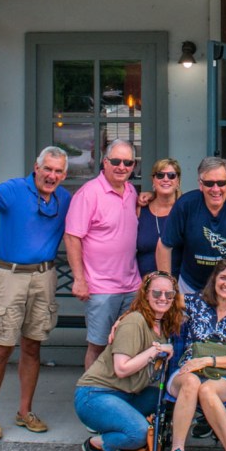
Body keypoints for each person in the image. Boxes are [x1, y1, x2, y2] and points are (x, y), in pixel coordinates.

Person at [0, 130, 72, 441]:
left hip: (44, 277)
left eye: (58, 171)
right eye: (47, 169)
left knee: (32, 346)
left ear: (64, 174)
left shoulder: (64, 199)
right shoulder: (15, 189)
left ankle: (24, 411)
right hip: (10, 275)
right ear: (36, 167)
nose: (52, 175)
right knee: (2, 348)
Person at [74, 271, 183, 451]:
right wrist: (156, 350)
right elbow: (121, 368)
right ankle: (96, 444)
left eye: (169, 294)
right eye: (157, 293)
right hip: (95, 394)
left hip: (127, 394)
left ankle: (119, 427)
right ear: (145, 294)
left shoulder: (164, 324)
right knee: (138, 433)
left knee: (170, 400)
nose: (163, 298)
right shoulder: (135, 321)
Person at [165, 258, 226, 451]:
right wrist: (125, 319)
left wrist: (207, 361)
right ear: (214, 279)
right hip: (187, 371)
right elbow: (157, 299)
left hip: (223, 376)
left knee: (206, 389)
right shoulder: (195, 301)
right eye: (223, 277)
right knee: (192, 382)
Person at [65, 139, 142, 369]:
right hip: (100, 288)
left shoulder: (130, 191)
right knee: (97, 347)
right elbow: (72, 237)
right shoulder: (89, 193)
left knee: (128, 345)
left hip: (131, 286)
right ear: (104, 162)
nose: (122, 167)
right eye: (116, 161)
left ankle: (117, 397)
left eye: (128, 162)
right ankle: (91, 398)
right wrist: (79, 279)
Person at [156, 157, 226, 295]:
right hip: (192, 286)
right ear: (200, 184)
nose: (215, 189)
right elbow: (164, 245)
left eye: (221, 183)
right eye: (209, 183)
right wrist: (167, 285)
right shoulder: (185, 205)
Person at [136, 158, 182, 278]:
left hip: (179, 287)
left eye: (171, 175)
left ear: (178, 181)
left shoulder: (185, 209)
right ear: (153, 180)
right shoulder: (141, 209)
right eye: (160, 175)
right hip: (143, 287)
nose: (165, 179)